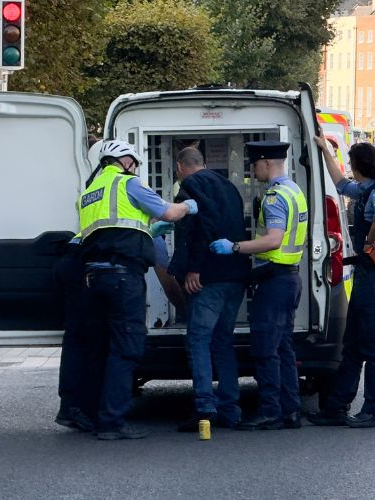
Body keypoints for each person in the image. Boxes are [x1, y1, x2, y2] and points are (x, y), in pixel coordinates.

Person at [54, 140, 196, 440]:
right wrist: (187, 206)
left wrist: (146, 230)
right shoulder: (127, 183)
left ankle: (87, 411)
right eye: (134, 162)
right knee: (126, 347)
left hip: (93, 278)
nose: (136, 168)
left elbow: (114, 227)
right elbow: (168, 212)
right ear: (124, 160)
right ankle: (111, 422)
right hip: (123, 277)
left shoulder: (89, 193)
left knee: (98, 347)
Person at [210, 140, 306, 431]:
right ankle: (290, 410)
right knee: (284, 348)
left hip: (274, 280)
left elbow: (273, 239)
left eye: (254, 164)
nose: (253, 170)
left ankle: (270, 412)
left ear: (266, 163)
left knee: (266, 349)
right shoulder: (295, 190)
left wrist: (235, 247)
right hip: (290, 277)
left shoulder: (276, 196)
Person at [309, 133, 375, 428]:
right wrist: (325, 151)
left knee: (371, 344)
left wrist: (370, 242)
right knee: (352, 343)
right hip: (368, 274)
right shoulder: (366, 188)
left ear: (357, 164)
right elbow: (340, 184)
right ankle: (336, 407)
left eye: (349, 162)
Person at [173, 147, 250, 432]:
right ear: (203, 164)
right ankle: (231, 408)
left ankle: (205, 407)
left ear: (180, 167)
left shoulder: (190, 186)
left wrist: (193, 268)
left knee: (198, 340)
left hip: (209, 277)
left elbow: (199, 227)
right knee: (222, 341)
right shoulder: (228, 185)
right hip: (236, 274)